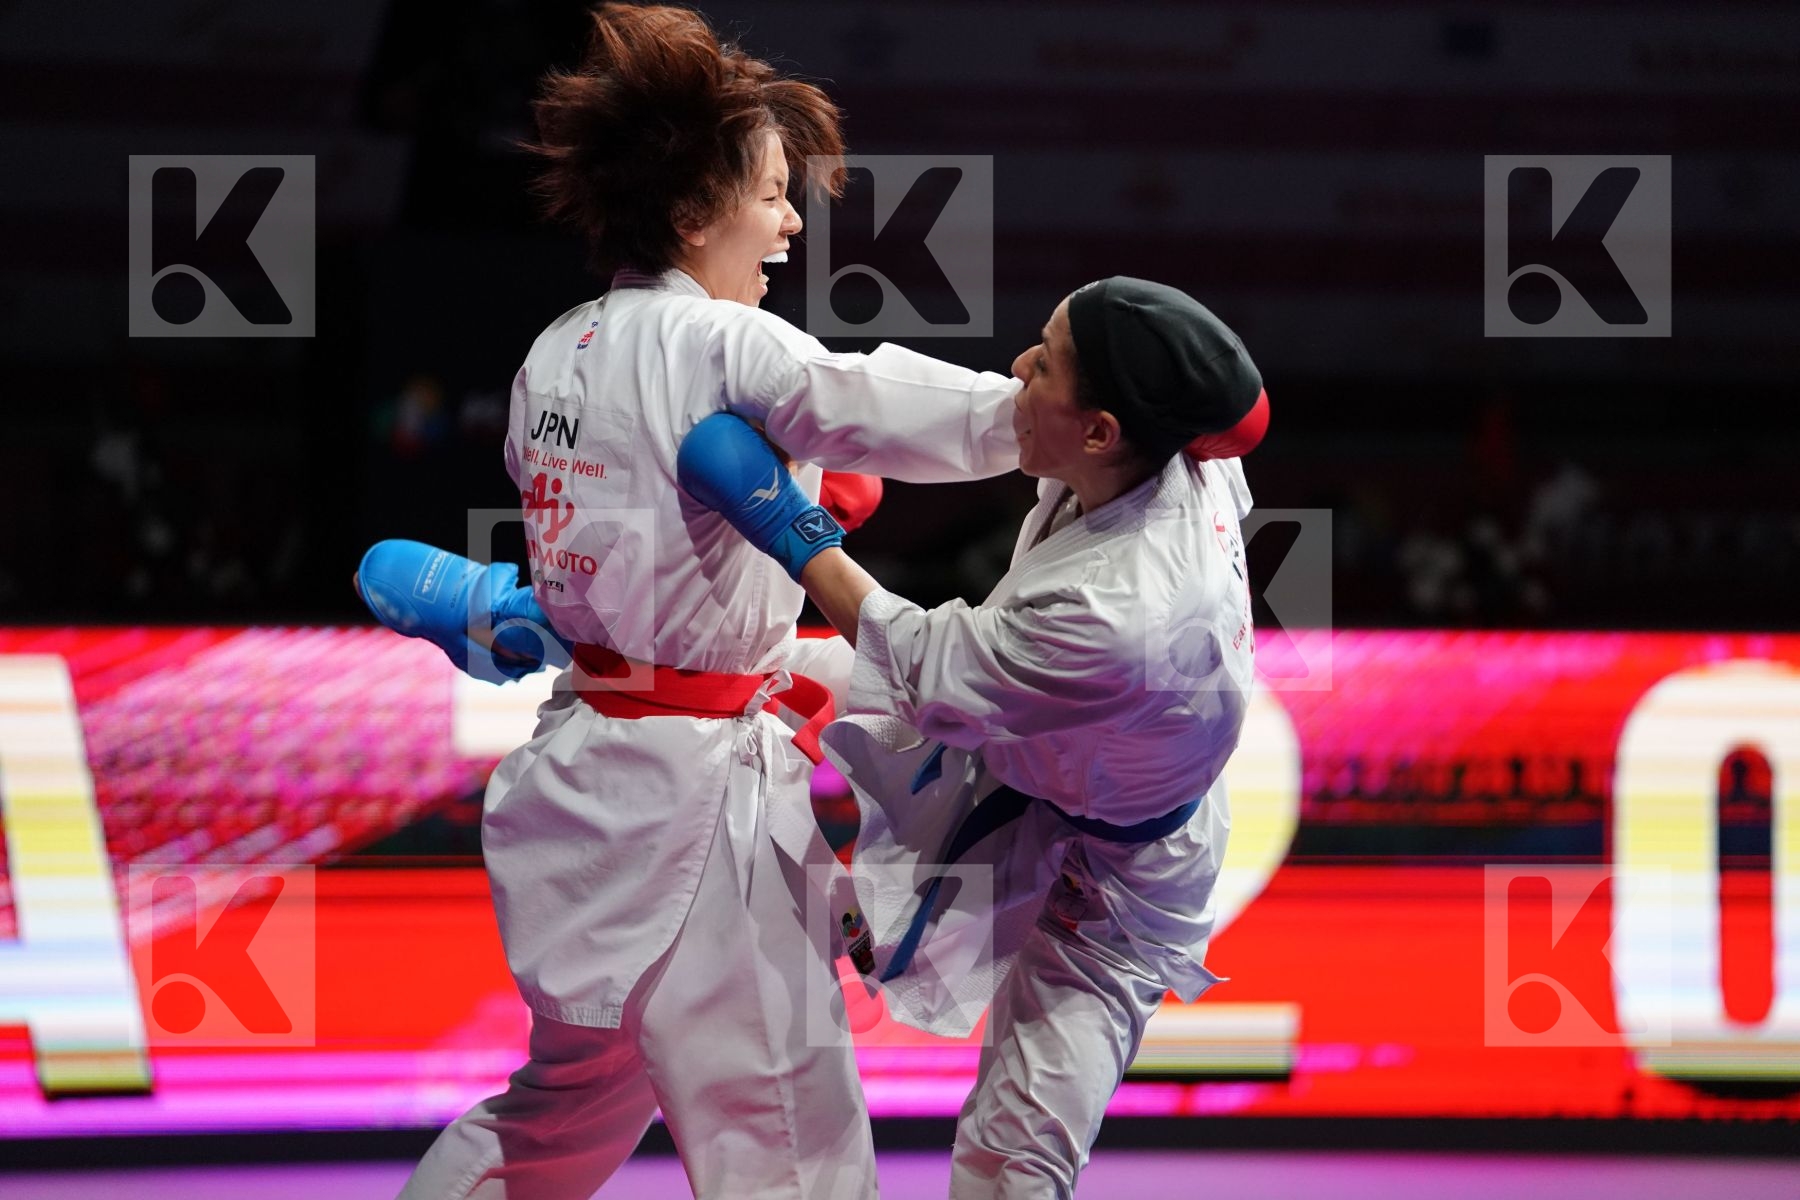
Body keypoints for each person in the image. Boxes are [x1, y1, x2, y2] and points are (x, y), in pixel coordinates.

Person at [380, 5, 1023, 1198]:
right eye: (772, 192)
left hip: (582, 776)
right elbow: (870, 396)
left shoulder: (553, 353)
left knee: (557, 1118)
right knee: (796, 1146)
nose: (789, 222)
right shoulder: (721, 343)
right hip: (694, 806)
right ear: (691, 214)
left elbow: (602, 553)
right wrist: (1044, 418)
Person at [675, 276, 1267, 1199]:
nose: (1020, 367)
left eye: (1045, 364)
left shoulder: (1115, 610)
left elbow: (915, 663)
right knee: (760, 669)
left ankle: (853, 920)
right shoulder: (1183, 446)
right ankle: (538, 622)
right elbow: (1235, 396)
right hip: (1051, 755)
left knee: (1010, 1162)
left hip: (1116, 885)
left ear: (1102, 431)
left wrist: (787, 520)